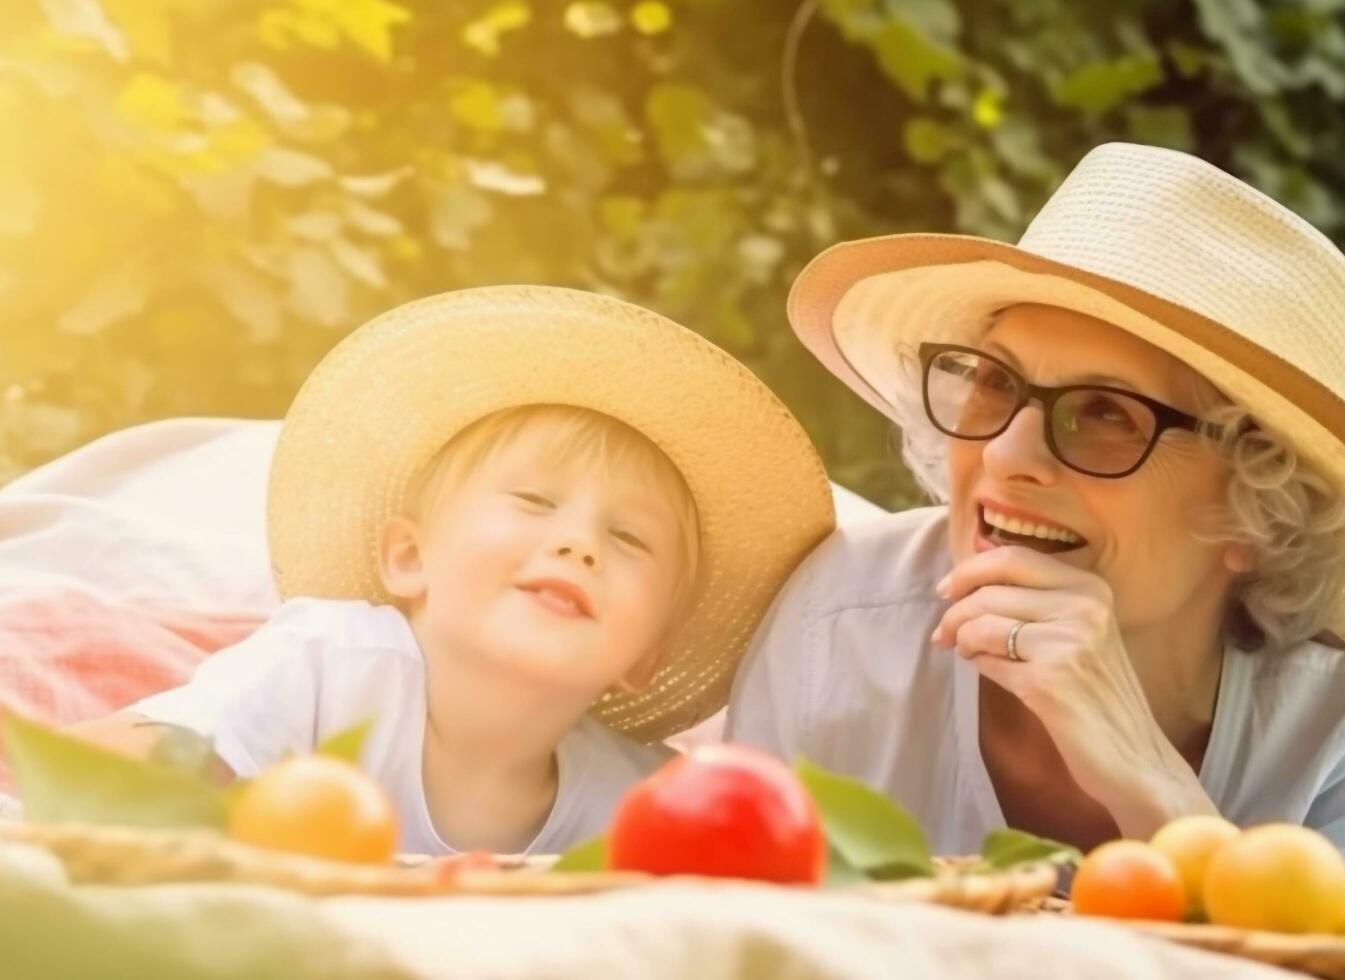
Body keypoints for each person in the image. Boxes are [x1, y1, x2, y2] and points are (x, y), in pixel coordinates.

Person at [726, 142, 1345, 895]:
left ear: (1258, 508)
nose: (1003, 454)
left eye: (1105, 413)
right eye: (994, 380)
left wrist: (1152, 788)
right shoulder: (837, 630)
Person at [70, 285, 834, 855]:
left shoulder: (639, 805)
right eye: (534, 500)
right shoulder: (329, 666)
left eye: (629, 540)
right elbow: (101, 777)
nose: (579, 545)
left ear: (645, 655)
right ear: (408, 558)